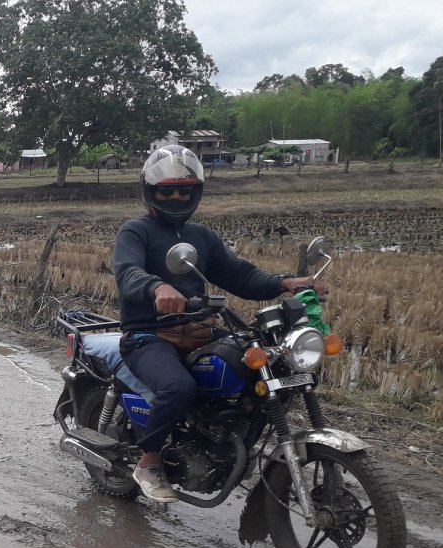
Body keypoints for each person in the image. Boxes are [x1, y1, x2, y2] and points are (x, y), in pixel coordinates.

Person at [113, 145, 324, 503]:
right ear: (151, 191)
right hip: (148, 334)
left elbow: (239, 275)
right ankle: (149, 462)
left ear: (196, 191)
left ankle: (229, 440)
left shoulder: (202, 237)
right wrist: (157, 286)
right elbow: (127, 272)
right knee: (178, 387)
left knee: (260, 365)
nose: (177, 196)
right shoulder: (136, 231)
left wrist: (283, 281)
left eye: (185, 189)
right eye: (167, 190)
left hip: (198, 331)